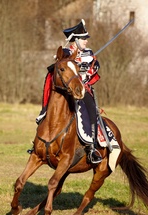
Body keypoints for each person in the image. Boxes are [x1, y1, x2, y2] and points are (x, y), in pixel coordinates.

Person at [35, 19, 102, 164]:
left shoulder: (89, 53)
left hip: (82, 89)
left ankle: (91, 148)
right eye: (83, 39)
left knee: (92, 111)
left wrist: (87, 69)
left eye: (86, 39)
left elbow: (95, 67)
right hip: (66, 91)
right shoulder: (66, 53)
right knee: (50, 111)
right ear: (75, 39)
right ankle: (39, 143)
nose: (86, 41)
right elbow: (61, 66)